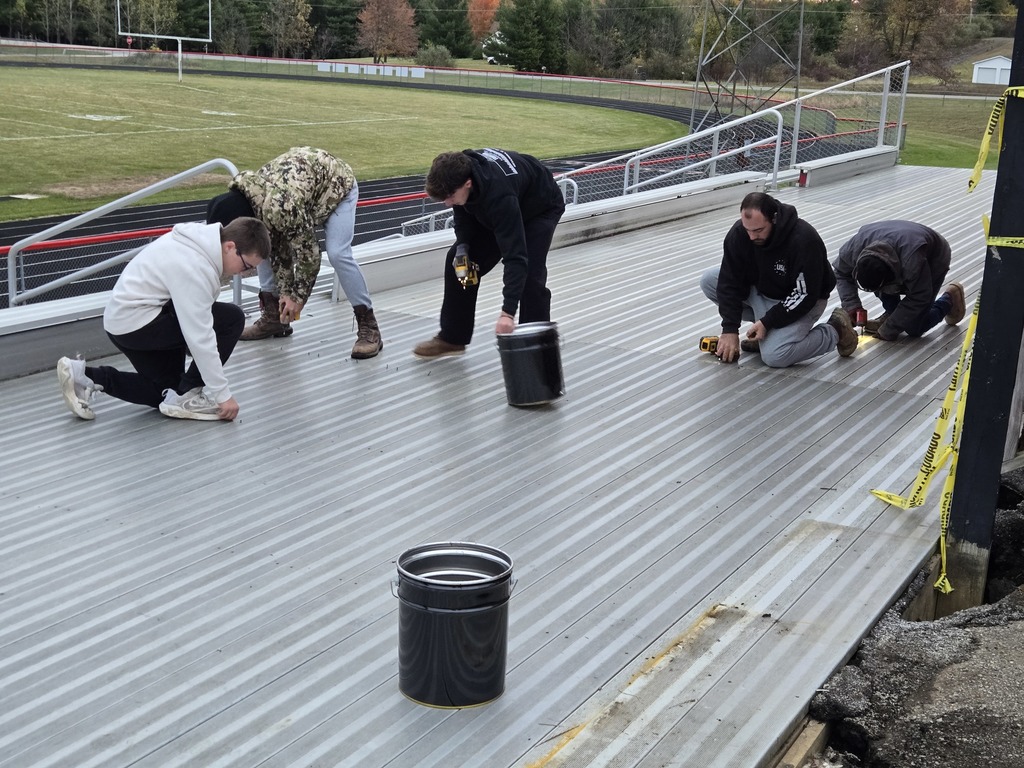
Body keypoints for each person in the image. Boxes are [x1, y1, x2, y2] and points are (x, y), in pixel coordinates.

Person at [56, 217, 271, 422]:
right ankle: (188, 394)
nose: (244, 274)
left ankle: (84, 376)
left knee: (165, 393)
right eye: (246, 266)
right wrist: (223, 395)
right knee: (231, 319)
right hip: (139, 325)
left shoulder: (197, 241)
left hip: (125, 322)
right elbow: (200, 336)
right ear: (230, 247)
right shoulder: (195, 266)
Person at [206, 146, 383, 359]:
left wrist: (297, 298)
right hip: (303, 193)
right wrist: (284, 295)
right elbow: (280, 251)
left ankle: (369, 327)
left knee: (338, 253)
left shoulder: (281, 208)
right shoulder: (255, 203)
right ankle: (275, 319)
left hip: (337, 188)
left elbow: (309, 255)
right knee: (263, 248)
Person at [413, 148, 566, 358]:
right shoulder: (457, 175)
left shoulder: (498, 194)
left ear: (468, 184)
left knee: (529, 274)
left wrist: (507, 314)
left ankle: (535, 347)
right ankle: (453, 338)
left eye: (449, 197)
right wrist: (464, 246)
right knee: (458, 262)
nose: (447, 203)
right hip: (506, 199)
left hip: (539, 207)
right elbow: (462, 214)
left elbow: (515, 256)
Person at [700, 191, 857, 367]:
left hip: (803, 299)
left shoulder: (803, 239)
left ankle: (836, 329)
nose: (752, 237)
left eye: (758, 230)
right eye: (748, 230)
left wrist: (768, 322)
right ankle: (766, 334)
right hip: (763, 290)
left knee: (776, 356)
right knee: (709, 280)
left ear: (774, 219)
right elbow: (729, 281)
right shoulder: (739, 234)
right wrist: (730, 330)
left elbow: (805, 294)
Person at [832, 220, 966, 341]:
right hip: (899, 243)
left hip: (934, 256)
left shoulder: (912, 263)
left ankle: (949, 300)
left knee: (915, 328)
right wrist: (852, 305)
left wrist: (889, 329)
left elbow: (919, 297)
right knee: (890, 300)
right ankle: (892, 314)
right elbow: (840, 272)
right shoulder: (854, 249)